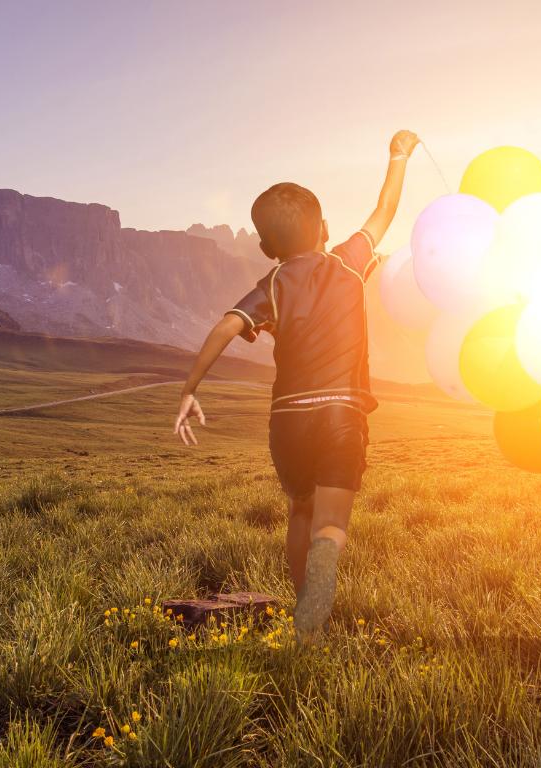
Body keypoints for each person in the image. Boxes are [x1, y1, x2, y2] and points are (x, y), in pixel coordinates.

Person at [174, 130, 420, 635]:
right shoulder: (350, 259)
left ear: (267, 248)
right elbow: (385, 209)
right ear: (325, 228)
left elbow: (226, 325)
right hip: (341, 413)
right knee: (330, 525)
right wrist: (398, 155)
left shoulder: (271, 284)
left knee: (300, 513)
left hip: (288, 420)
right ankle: (317, 605)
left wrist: (189, 390)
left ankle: (305, 611)